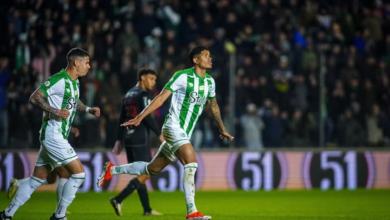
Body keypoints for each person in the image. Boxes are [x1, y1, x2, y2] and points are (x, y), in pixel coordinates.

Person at [97, 45, 234, 220]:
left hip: (184, 132)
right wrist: (140, 117)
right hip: (173, 127)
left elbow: (213, 105)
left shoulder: (209, 82)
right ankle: (192, 212)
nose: (210, 58)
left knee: (151, 169)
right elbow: (161, 98)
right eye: (206, 55)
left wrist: (222, 128)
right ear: (195, 60)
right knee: (191, 163)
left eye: (209, 55)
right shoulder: (182, 76)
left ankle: (112, 170)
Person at [0, 48, 100, 220]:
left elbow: (74, 103)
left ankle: (7, 214)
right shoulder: (59, 79)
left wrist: (89, 109)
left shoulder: (74, 82)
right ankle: (59, 216)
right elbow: (35, 96)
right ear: (76, 62)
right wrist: (54, 111)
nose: (89, 66)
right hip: (53, 135)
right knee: (79, 174)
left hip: (55, 136)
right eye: (87, 62)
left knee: (35, 180)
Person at [110, 68, 164, 216]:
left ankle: (147, 209)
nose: (153, 82)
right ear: (142, 78)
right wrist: (159, 134)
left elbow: (121, 118)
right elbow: (147, 116)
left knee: (140, 174)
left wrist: (119, 139)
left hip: (128, 138)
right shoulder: (143, 93)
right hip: (140, 138)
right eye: (151, 79)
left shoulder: (128, 93)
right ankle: (118, 199)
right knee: (147, 172)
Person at [7, 128, 80, 215]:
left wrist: (69, 128)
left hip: (51, 143)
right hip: (53, 144)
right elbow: (53, 119)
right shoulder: (54, 117)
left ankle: (17, 183)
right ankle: (60, 209)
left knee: (50, 180)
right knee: (63, 174)